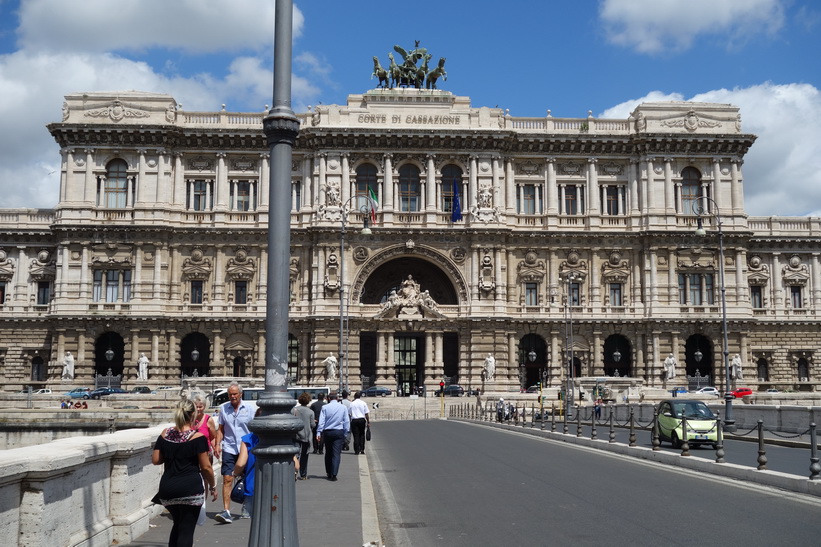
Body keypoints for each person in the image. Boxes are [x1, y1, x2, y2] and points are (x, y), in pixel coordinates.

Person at [152, 399, 217, 547]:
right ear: (193, 414)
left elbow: (156, 460)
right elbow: (206, 467)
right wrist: (213, 486)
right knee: (186, 530)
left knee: (177, 525)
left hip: (168, 489)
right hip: (190, 489)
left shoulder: (165, 433)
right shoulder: (198, 437)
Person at [214, 382, 258, 523]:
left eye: (235, 394)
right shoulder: (223, 408)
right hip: (229, 447)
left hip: (246, 448)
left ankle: (247, 506)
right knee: (227, 479)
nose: (232, 396)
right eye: (230, 394)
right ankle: (226, 511)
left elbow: (254, 429)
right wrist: (217, 444)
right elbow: (220, 429)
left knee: (247, 479)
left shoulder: (250, 409)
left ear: (240, 394)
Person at [316, 390, 350, 481]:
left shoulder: (325, 407)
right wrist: (346, 433)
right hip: (339, 432)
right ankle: (334, 474)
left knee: (328, 453)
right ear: (338, 398)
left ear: (328, 398)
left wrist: (319, 432)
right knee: (336, 454)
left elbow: (321, 422)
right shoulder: (343, 407)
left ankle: (328, 472)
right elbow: (346, 421)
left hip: (328, 432)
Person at [292, 392, 314, 479]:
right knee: (305, 455)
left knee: (295, 455)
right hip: (306, 436)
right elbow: (312, 425)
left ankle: (294, 471)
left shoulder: (294, 410)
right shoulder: (310, 412)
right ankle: (303, 474)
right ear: (308, 401)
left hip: (296, 435)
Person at [192, 395, 217, 462]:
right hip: (192, 454)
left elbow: (213, 437)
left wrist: (216, 449)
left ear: (204, 407)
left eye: (200, 407)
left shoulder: (209, 420)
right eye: (196, 407)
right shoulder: (190, 420)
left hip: (206, 453)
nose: (198, 409)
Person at [349, 391, 370, 455]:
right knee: (362, 434)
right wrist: (368, 421)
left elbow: (349, 413)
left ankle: (356, 450)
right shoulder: (363, 403)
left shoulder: (352, 403)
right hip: (361, 420)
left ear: (355, 397)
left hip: (354, 420)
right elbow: (366, 413)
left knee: (356, 436)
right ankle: (362, 449)